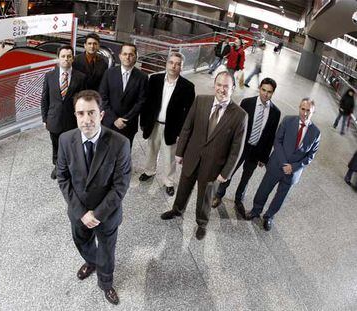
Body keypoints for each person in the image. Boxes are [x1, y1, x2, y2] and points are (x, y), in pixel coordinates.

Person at [56, 90, 131, 305]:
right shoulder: (65, 140)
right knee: (82, 241)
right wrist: (81, 213)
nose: (86, 119)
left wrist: (96, 214)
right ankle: (90, 261)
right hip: (78, 212)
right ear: (75, 116)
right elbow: (62, 178)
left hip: (106, 214)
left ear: (101, 114)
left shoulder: (120, 143)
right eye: (81, 113)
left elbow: (120, 186)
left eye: (91, 113)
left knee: (107, 251)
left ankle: (106, 283)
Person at [160, 71, 248, 240]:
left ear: (233, 89)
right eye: (219, 85)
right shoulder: (201, 100)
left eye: (226, 87)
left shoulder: (240, 115)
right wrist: (180, 152)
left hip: (214, 165)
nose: (222, 89)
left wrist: (226, 173)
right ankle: (177, 209)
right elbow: (187, 127)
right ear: (214, 85)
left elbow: (237, 149)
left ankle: (202, 223)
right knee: (184, 186)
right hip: (192, 156)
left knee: (205, 197)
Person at [246, 98, 321, 231]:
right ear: (299, 108)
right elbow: (277, 141)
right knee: (264, 190)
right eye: (302, 109)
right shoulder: (287, 120)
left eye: (308, 110)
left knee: (280, 197)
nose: (304, 113)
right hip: (277, 165)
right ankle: (256, 210)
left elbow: (310, 156)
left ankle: (269, 216)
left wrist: (294, 167)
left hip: (293, 172)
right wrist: (284, 163)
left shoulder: (316, 133)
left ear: (313, 112)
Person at [212, 78, 281, 217]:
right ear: (259, 88)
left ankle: (238, 200)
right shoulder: (247, 103)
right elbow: (237, 125)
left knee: (246, 177)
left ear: (273, 93)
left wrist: (264, 157)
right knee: (230, 171)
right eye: (264, 90)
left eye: (269, 92)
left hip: (257, 150)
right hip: (241, 146)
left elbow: (270, 136)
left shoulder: (275, 112)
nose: (265, 94)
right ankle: (219, 194)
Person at [139, 52, 195, 196]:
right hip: (154, 123)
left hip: (172, 127)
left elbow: (188, 113)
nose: (173, 66)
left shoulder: (188, 86)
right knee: (151, 149)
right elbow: (147, 103)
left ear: (181, 67)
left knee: (169, 156)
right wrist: (144, 122)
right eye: (171, 62)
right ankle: (149, 171)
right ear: (166, 63)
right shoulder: (155, 80)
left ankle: (169, 181)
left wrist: (181, 133)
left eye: (177, 64)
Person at [41, 45, 86, 180]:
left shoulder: (81, 77)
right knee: (56, 146)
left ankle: (68, 166)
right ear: (58, 58)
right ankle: (57, 166)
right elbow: (45, 99)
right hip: (53, 119)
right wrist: (44, 119)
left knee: (70, 146)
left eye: (69, 56)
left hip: (71, 121)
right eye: (63, 56)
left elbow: (82, 101)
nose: (66, 59)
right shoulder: (49, 76)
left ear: (73, 58)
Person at [99, 43, 148, 147]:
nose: (127, 57)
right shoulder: (109, 73)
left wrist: (125, 120)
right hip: (109, 123)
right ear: (120, 56)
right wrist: (114, 119)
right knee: (104, 155)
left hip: (128, 126)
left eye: (131, 54)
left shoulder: (142, 77)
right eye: (125, 54)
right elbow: (103, 98)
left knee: (123, 157)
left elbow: (141, 102)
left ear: (135, 57)